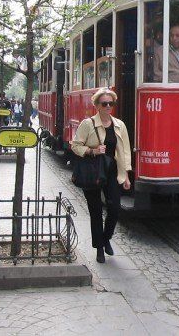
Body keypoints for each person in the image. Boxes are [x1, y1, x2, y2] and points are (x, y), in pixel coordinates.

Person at [71, 88, 132, 264]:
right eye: (104, 103)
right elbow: (75, 145)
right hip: (93, 171)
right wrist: (92, 150)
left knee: (114, 209)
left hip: (112, 172)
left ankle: (106, 238)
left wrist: (126, 175)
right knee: (95, 211)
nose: (108, 106)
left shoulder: (119, 125)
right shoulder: (87, 124)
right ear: (96, 105)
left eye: (111, 103)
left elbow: (125, 152)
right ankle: (99, 248)